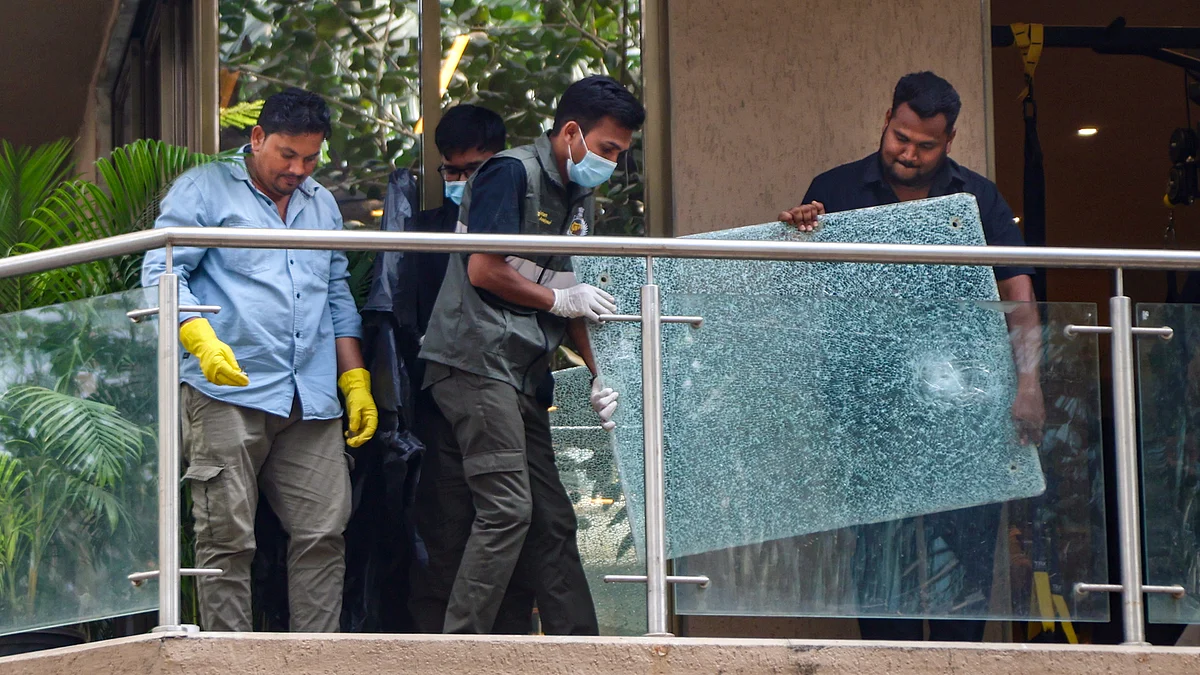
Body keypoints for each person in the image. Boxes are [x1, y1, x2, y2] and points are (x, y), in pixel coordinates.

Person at [779, 71, 1045, 642]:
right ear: (887, 121)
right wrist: (799, 235)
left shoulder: (977, 197)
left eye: (926, 145)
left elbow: (1017, 293)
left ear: (949, 140)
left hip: (964, 406)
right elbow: (798, 297)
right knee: (880, 557)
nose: (908, 153)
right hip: (867, 410)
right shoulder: (837, 189)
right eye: (901, 137)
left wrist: (1028, 384)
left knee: (967, 554)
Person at [142, 87, 378, 632]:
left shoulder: (321, 204)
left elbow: (337, 297)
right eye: (287, 155)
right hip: (226, 391)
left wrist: (355, 380)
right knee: (225, 538)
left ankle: (315, 664)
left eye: (312, 158)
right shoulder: (205, 188)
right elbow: (159, 274)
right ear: (257, 138)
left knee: (324, 532)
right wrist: (198, 338)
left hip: (312, 397)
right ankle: (227, 664)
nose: (299, 169)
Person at [418, 75, 644, 634]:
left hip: (519, 372)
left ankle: (582, 655)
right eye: (608, 149)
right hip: (473, 360)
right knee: (507, 510)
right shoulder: (510, 172)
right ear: (571, 132)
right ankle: (460, 654)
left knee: (552, 519)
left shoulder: (579, 195)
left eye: (621, 154)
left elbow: (574, 298)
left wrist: (600, 374)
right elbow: (484, 269)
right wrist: (562, 298)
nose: (613, 163)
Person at [384, 104, 538, 633]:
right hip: (435, 397)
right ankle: (440, 649)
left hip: (503, 384)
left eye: (474, 171)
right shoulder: (424, 232)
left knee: (509, 521)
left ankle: (506, 644)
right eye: (451, 171)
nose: (462, 182)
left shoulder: (519, 227)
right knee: (444, 529)